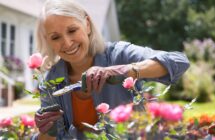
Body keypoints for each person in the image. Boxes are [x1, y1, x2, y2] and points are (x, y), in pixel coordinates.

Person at [32, 0, 190, 139]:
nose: (66, 43)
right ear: (48, 41)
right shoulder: (51, 82)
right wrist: (47, 131)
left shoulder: (119, 54)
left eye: (72, 30)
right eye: (55, 37)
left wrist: (125, 71)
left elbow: (179, 62)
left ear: (87, 24)